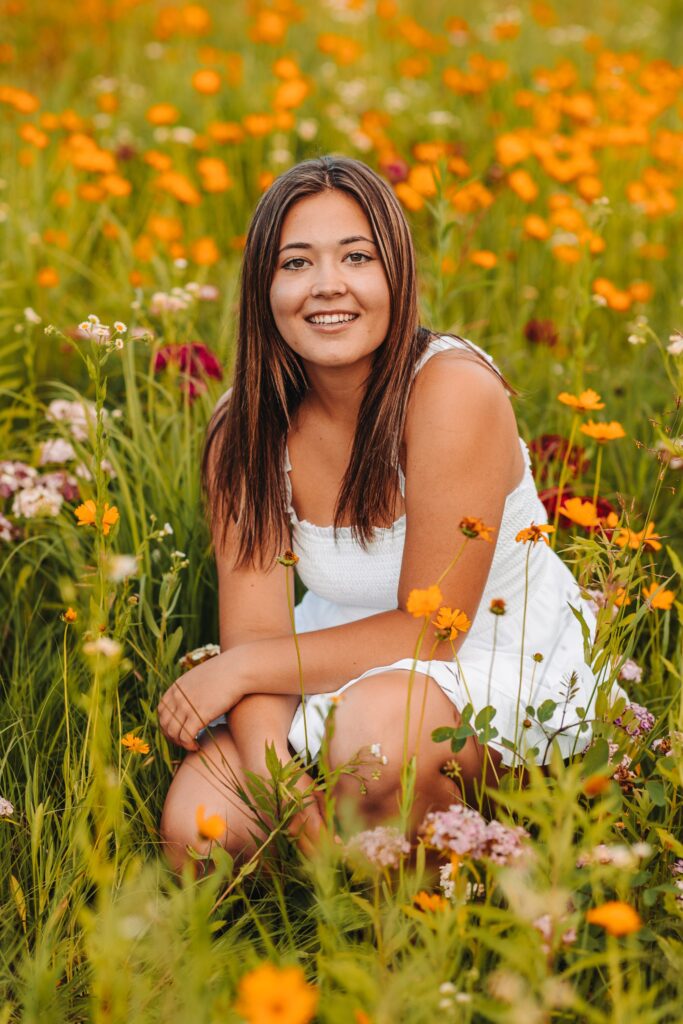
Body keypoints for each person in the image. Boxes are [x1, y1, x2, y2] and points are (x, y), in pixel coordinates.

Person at [157, 155, 613, 873]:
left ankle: (429, 919)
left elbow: (434, 630)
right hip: (334, 655)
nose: (327, 285)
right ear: (264, 289)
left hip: (489, 657)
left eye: (357, 257)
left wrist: (238, 669)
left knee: (376, 747)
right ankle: (333, 880)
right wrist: (281, 785)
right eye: (296, 262)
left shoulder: (451, 392)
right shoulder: (242, 429)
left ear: (396, 274)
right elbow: (256, 642)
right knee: (199, 831)